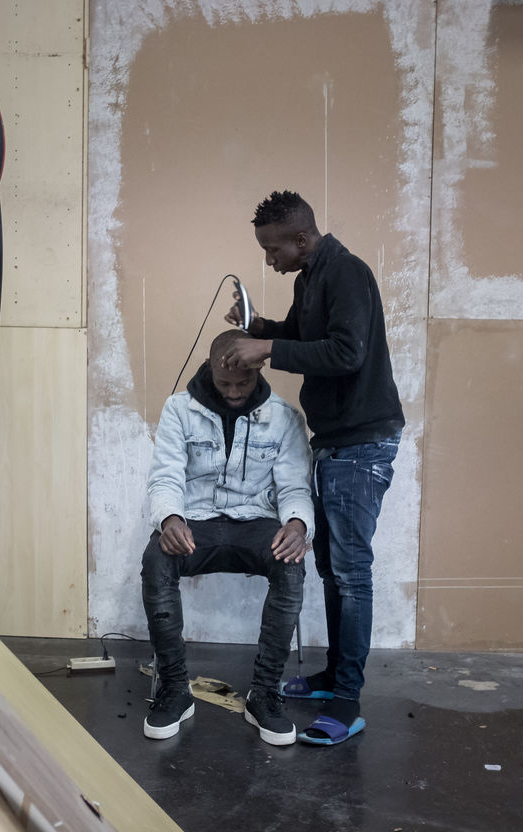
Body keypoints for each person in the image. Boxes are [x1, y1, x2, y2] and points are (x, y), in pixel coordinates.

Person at [222, 190, 404, 747]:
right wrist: (260, 328)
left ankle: (347, 702)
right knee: (331, 568)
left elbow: (346, 353)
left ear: (302, 239)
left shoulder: (347, 272)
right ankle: (332, 678)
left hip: (361, 444)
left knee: (351, 573)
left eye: (273, 250)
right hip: (335, 443)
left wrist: (266, 350)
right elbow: (306, 338)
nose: (269, 260)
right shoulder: (311, 279)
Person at [142, 329, 313, 746]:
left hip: (255, 521)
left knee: (291, 564)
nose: (235, 392)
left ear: (259, 368)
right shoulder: (178, 409)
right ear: (209, 367)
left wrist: (297, 525)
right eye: (225, 383)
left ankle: (265, 694)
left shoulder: (285, 417)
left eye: (244, 382)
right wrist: (170, 518)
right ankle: (175, 688)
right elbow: (165, 476)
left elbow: (295, 487)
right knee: (156, 560)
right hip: (196, 520)